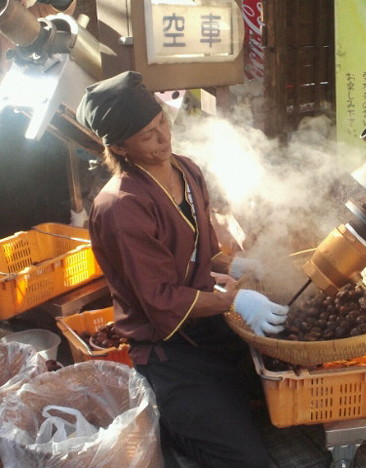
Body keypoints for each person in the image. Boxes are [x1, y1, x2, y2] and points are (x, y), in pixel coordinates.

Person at [76, 71, 289, 467]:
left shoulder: (186, 170)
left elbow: (198, 250)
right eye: (147, 136)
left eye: (162, 122)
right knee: (249, 459)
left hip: (211, 331)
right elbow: (160, 299)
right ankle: (172, 428)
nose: (163, 139)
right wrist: (236, 300)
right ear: (120, 147)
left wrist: (233, 264)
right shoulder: (121, 205)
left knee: (284, 409)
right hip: (169, 352)